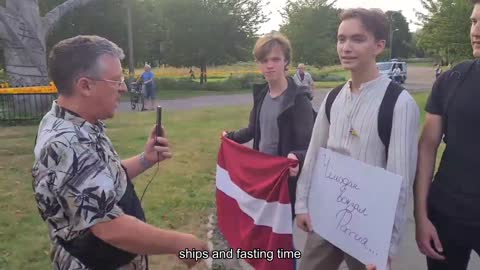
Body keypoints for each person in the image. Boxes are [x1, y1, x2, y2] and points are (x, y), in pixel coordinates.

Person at [32, 35, 208, 270]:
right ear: (85, 85)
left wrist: (146, 159)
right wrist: (181, 243)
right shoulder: (66, 143)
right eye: (116, 80)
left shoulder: (73, 121)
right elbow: (110, 227)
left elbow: (100, 180)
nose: (124, 88)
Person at [295, 8, 419, 270]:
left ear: (379, 45)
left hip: (368, 228)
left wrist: (388, 245)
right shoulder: (333, 97)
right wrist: (303, 203)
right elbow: (315, 152)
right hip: (325, 215)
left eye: (357, 39)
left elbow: (401, 181)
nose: (346, 47)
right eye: (341, 39)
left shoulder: (399, 103)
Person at [414, 1, 480, 269]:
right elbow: (427, 147)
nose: (476, 30)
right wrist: (421, 216)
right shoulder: (452, 78)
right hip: (447, 216)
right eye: (474, 22)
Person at [224, 32, 315, 215]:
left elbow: (310, 145)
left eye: (275, 59)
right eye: (264, 60)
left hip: (285, 183)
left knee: (280, 236)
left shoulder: (298, 100)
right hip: (263, 177)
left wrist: (297, 156)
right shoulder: (261, 95)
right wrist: (230, 137)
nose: (270, 65)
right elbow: (253, 129)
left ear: (286, 62)